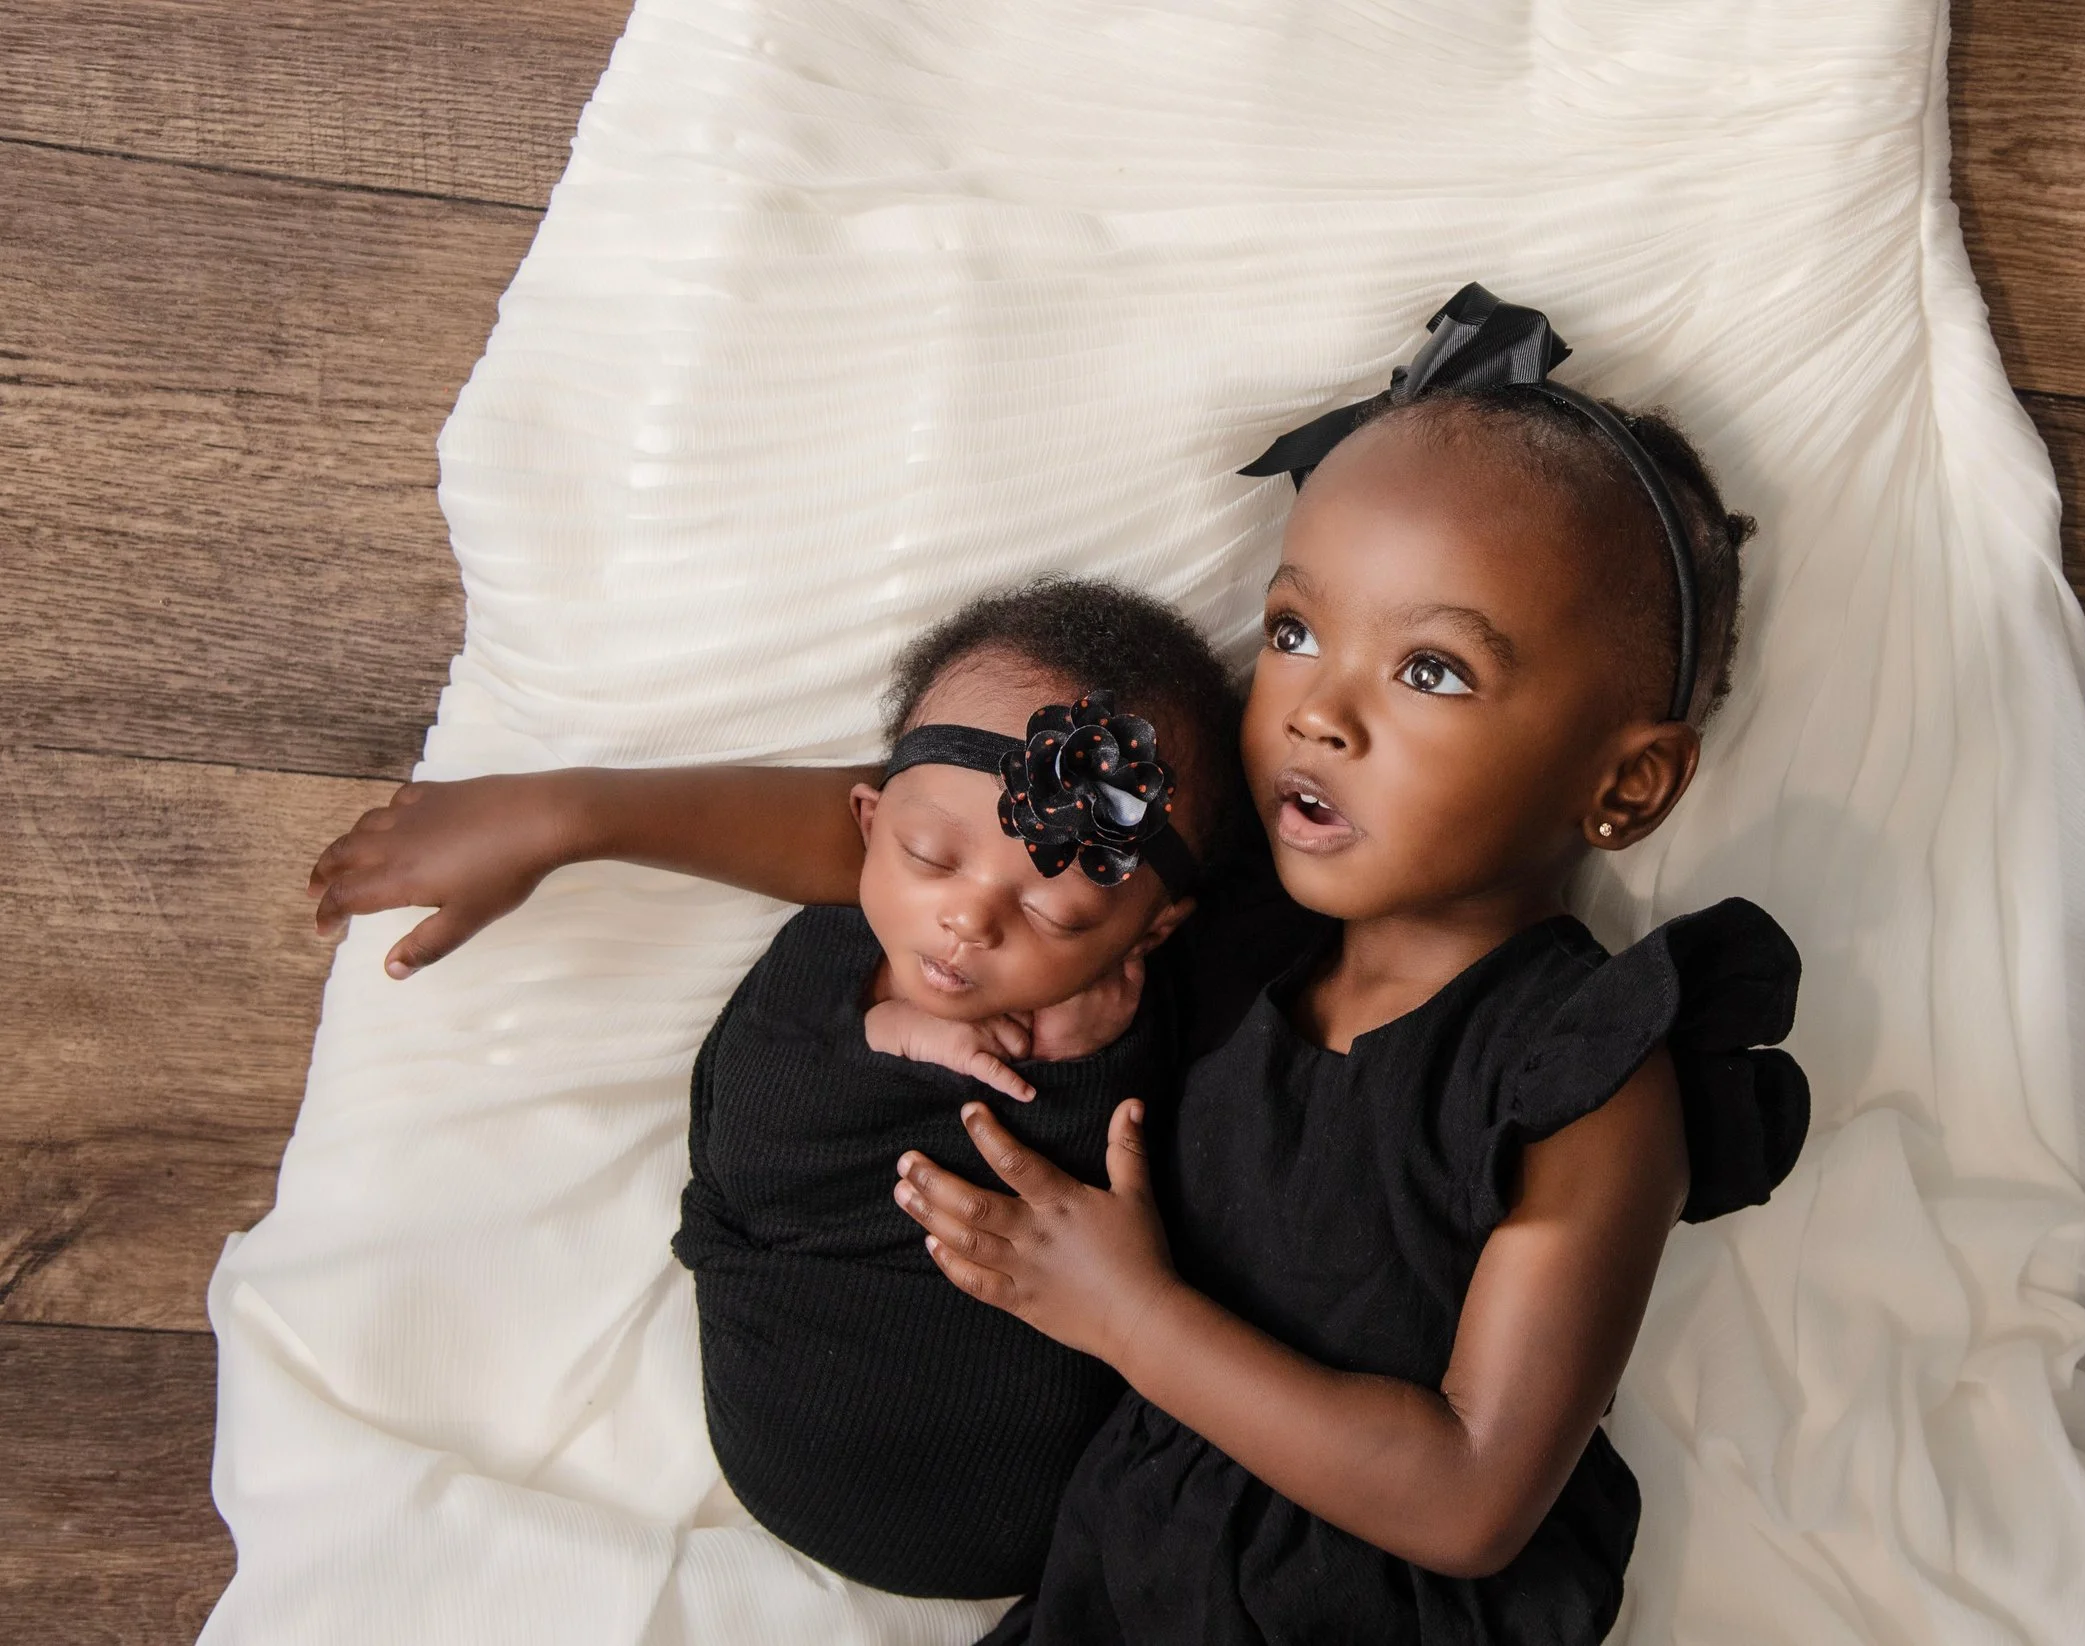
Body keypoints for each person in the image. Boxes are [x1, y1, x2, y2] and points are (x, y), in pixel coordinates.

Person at [887, 286, 1808, 1644]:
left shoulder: (1581, 1074)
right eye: (1293, 631)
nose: (1317, 709)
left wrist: (1126, 1313)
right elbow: (942, 808)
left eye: (1431, 669)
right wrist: (574, 816)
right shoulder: (1240, 946)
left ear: (1626, 784)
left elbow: (1472, 1495)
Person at [309, 578, 1253, 1600]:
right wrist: (886, 1035)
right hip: (798, 1404)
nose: (967, 923)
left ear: (1151, 930)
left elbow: (1128, 1185)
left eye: (1060, 915)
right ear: (866, 819)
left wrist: (1090, 1063)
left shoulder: (1134, 1014)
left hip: (1062, 1484)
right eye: (929, 857)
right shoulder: (823, 967)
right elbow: (745, 1150)